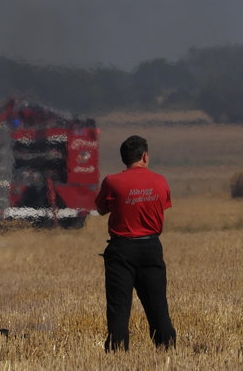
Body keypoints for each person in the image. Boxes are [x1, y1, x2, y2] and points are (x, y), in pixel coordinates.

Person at [95, 135, 176, 351]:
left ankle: (118, 354)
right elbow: (163, 205)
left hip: (121, 249)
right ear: (145, 156)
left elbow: (101, 209)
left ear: (124, 158)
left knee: (119, 309)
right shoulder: (160, 181)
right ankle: (167, 350)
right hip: (151, 247)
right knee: (158, 306)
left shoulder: (112, 181)